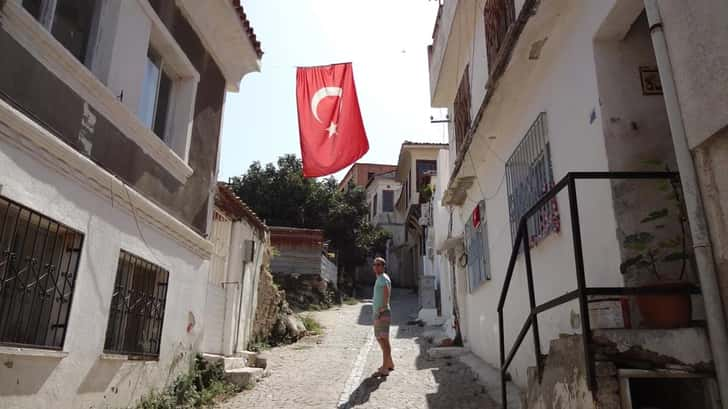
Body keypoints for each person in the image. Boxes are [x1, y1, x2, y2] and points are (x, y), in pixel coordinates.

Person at [372, 256, 394, 376]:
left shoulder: (383, 278)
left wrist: (383, 307)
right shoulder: (379, 278)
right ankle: (389, 363)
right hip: (378, 313)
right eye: (375, 264)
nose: (376, 266)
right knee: (381, 338)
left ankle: (385, 368)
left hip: (382, 313)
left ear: (383, 266)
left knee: (384, 340)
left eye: (379, 264)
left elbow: (387, 291)